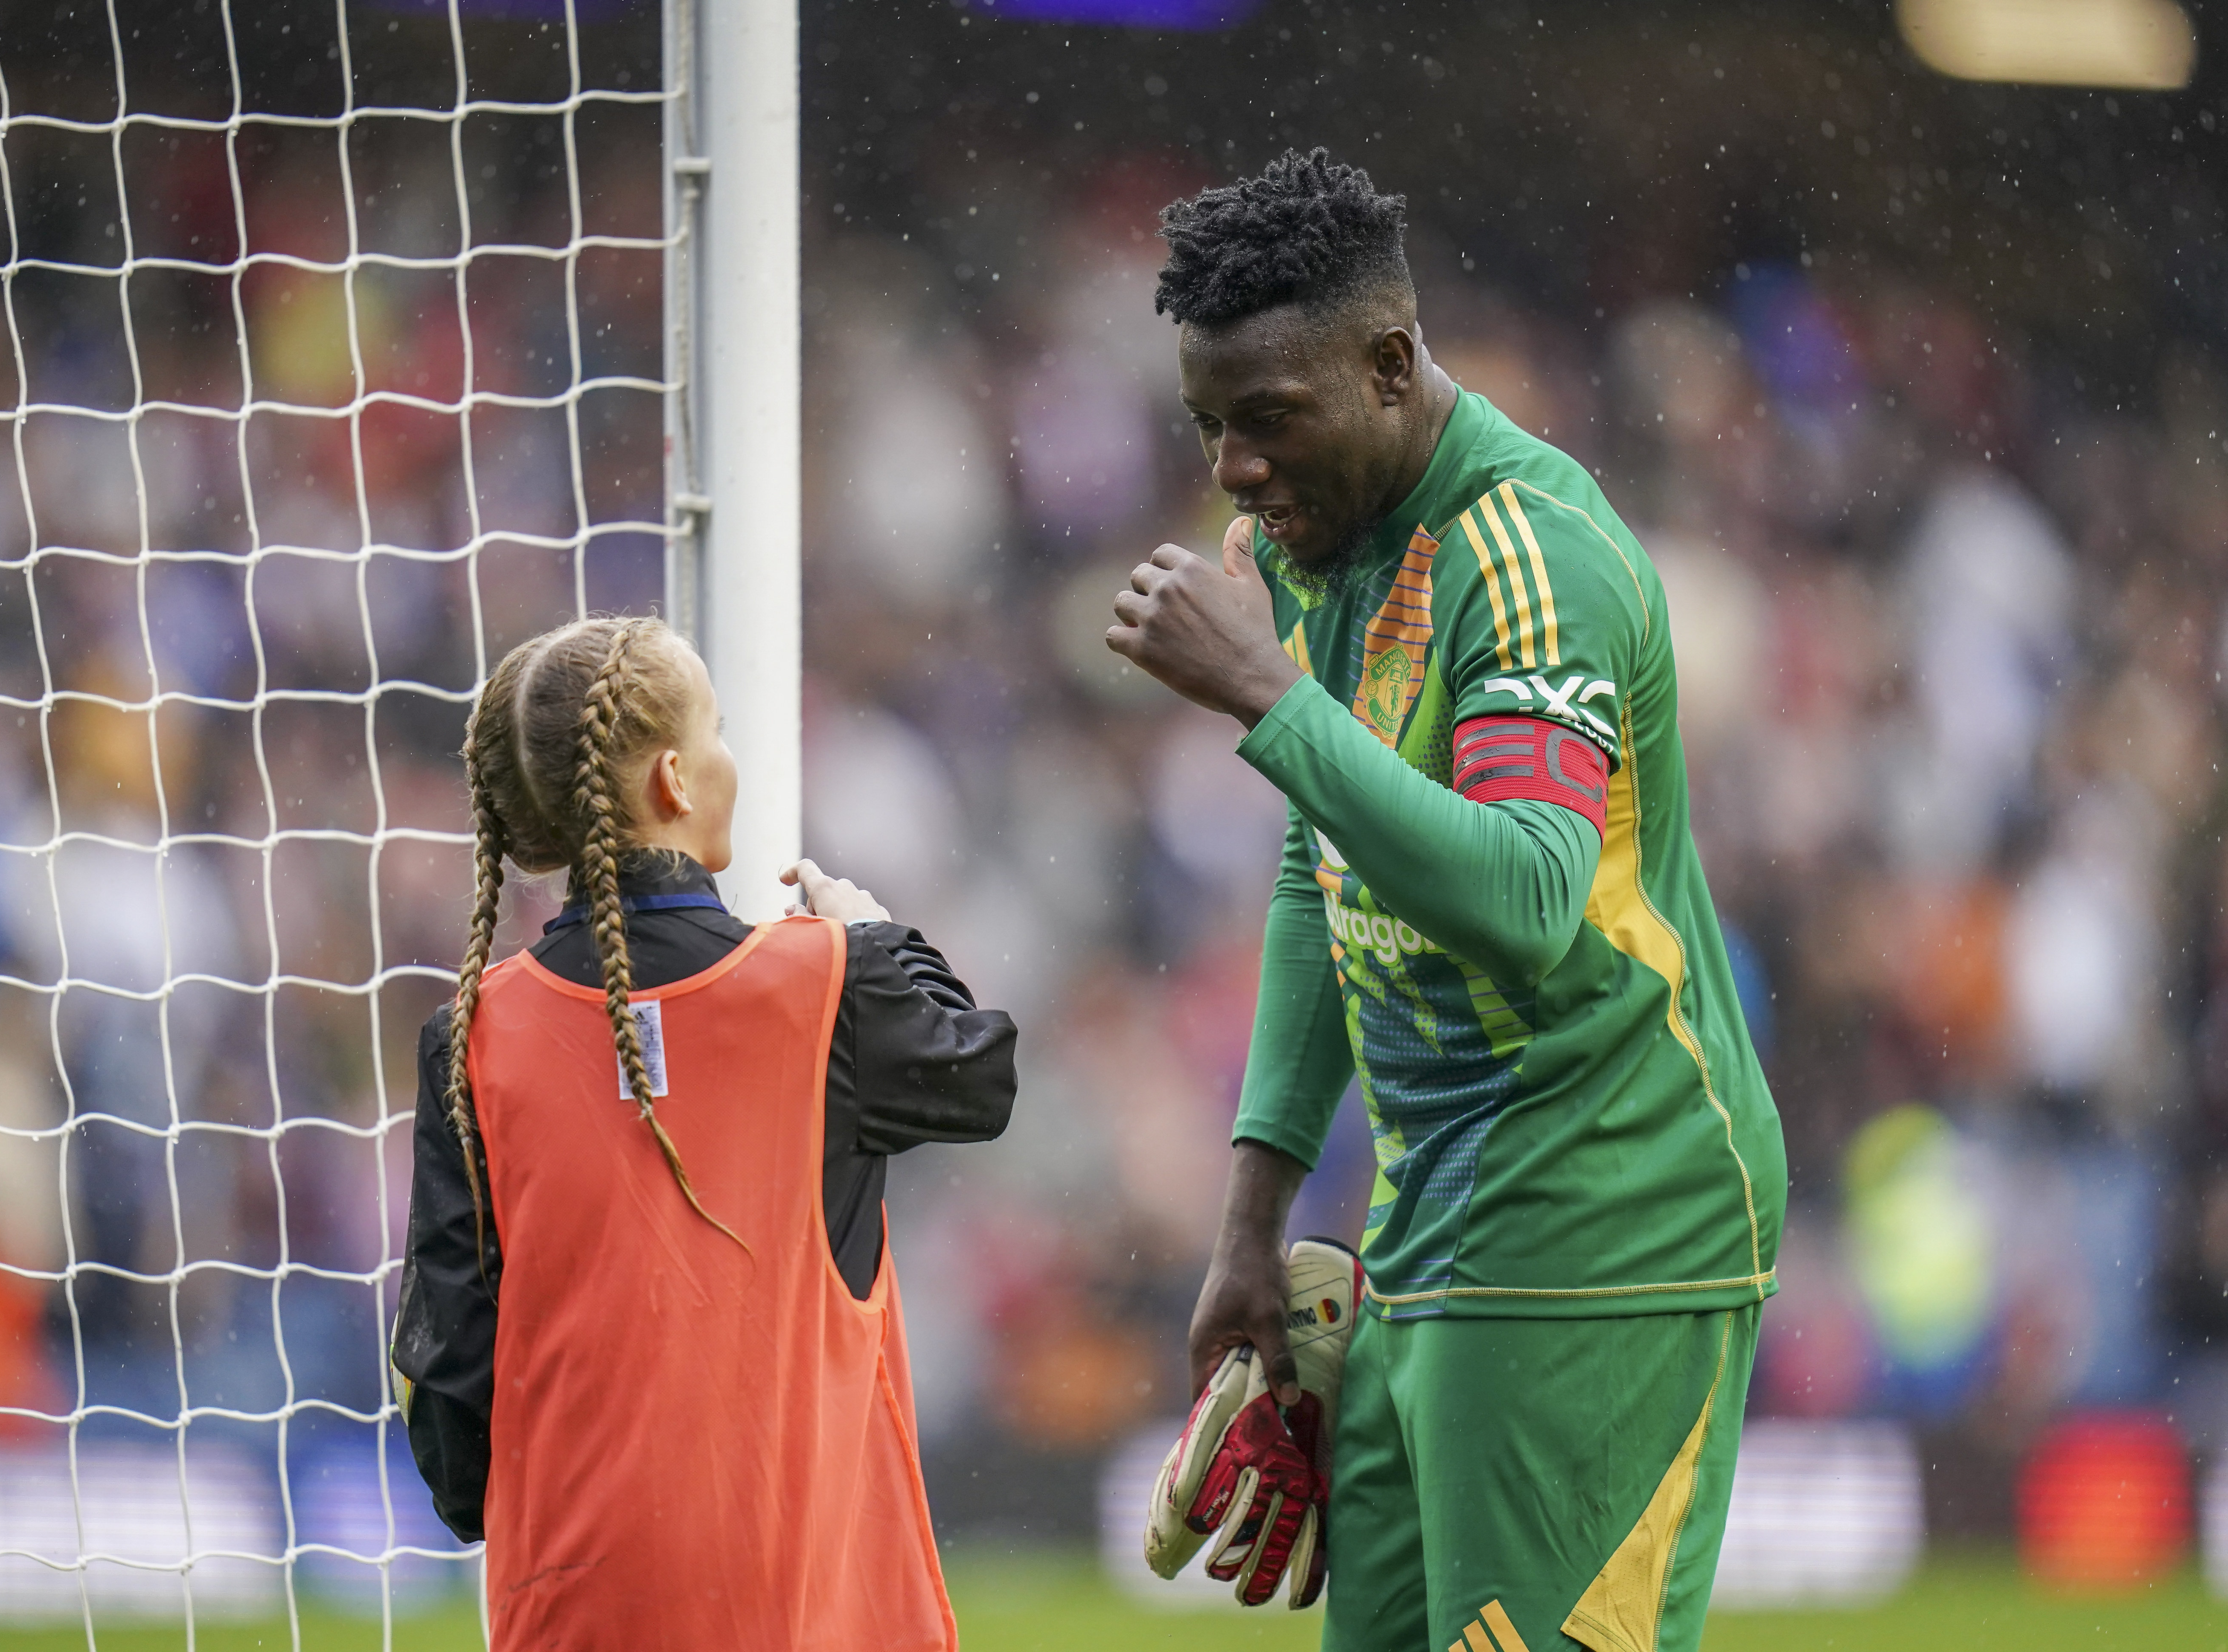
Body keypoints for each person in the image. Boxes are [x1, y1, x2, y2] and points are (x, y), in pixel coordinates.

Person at [1106, 149, 1786, 1652]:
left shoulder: (1528, 557)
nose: (1231, 469)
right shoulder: (1319, 555)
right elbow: (1318, 866)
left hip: (1606, 1212)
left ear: (1390, 363)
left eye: (1266, 419)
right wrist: (1250, 1217)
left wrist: (1266, 698)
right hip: (1431, 1221)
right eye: (1208, 427)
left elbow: (1531, 896)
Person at [388, 615, 1017, 1650]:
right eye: (718, 733)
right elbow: (981, 1076)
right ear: (676, 781)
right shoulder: (826, 985)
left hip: (573, 1612)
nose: (734, 759)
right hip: (812, 1608)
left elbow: (450, 1390)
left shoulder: (471, 1036)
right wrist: (877, 936)